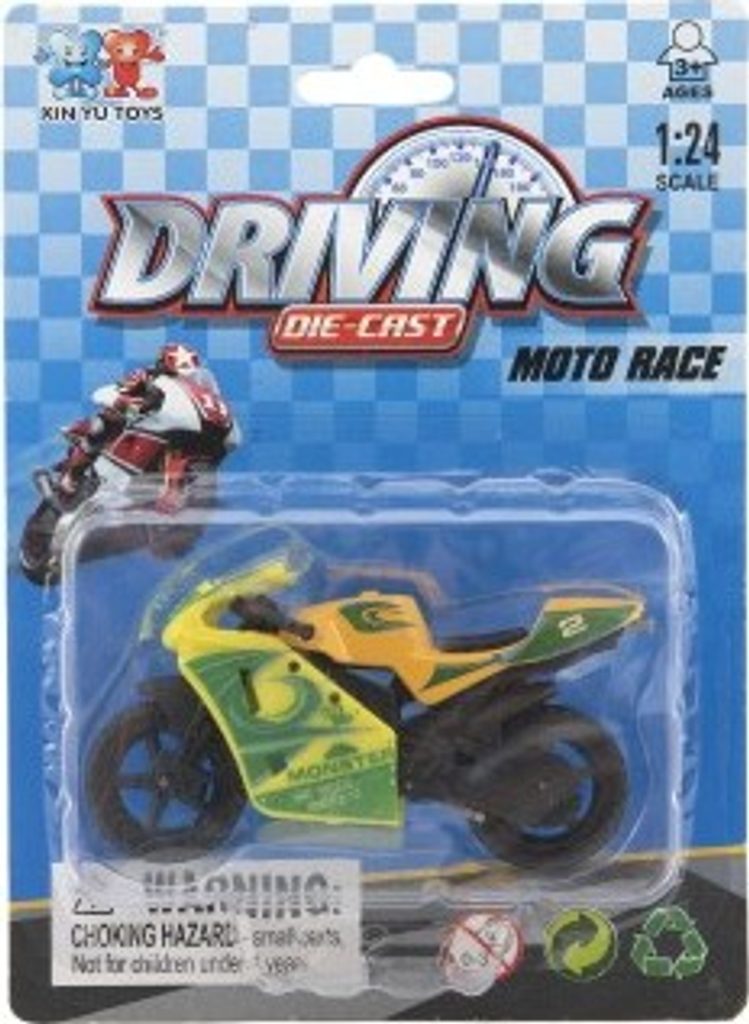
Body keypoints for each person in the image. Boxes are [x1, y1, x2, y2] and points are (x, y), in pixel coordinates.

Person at [58, 343, 203, 512]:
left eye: (191, 363)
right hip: (133, 422)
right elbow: (119, 390)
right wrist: (127, 401)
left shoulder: (194, 389)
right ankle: (72, 475)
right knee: (102, 426)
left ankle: (165, 496)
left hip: (164, 430)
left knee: (181, 449)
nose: (188, 368)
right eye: (182, 364)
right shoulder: (147, 376)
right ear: (165, 362)